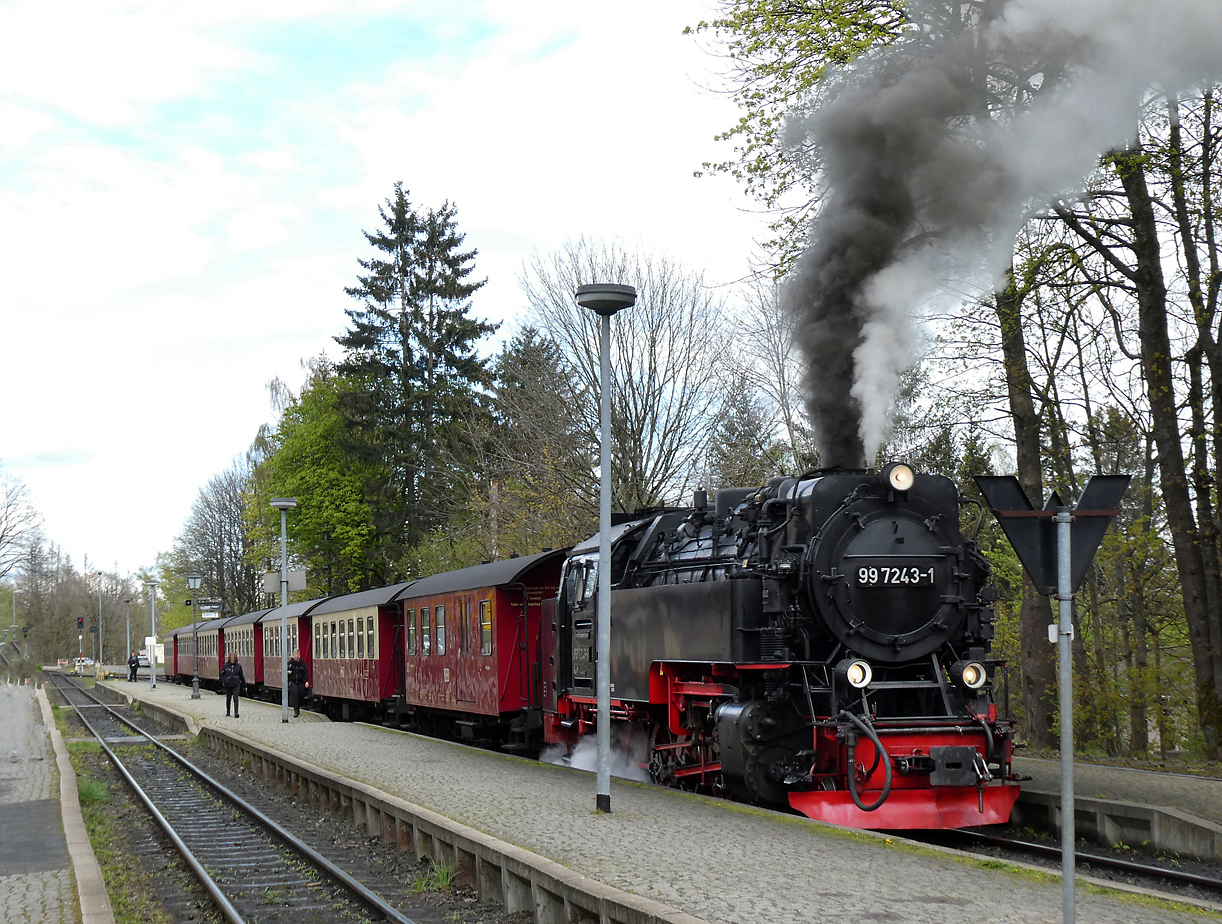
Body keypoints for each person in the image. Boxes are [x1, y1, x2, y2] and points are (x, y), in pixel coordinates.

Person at [220, 651, 245, 718]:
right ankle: (228, 712)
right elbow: (222, 675)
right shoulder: (225, 666)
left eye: (233, 658)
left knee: (235, 697)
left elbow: (241, 676)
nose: (232, 660)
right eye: (231, 658)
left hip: (236, 684)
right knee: (228, 698)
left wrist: (244, 684)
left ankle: (236, 712)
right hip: (228, 684)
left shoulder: (238, 666)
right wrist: (224, 681)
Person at [287, 649, 310, 718]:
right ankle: (295, 710)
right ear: (293, 655)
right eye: (295, 656)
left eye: (297, 656)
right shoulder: (290, 663)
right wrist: (288, 672)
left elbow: (306, 672)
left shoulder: (302, 663)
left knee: (301, 694)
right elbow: (284, 671)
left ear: (299, 656)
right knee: (295, 693)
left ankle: (298, 707)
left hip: (300, 681)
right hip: (292, 681)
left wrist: (307, 681)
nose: (296, 658)